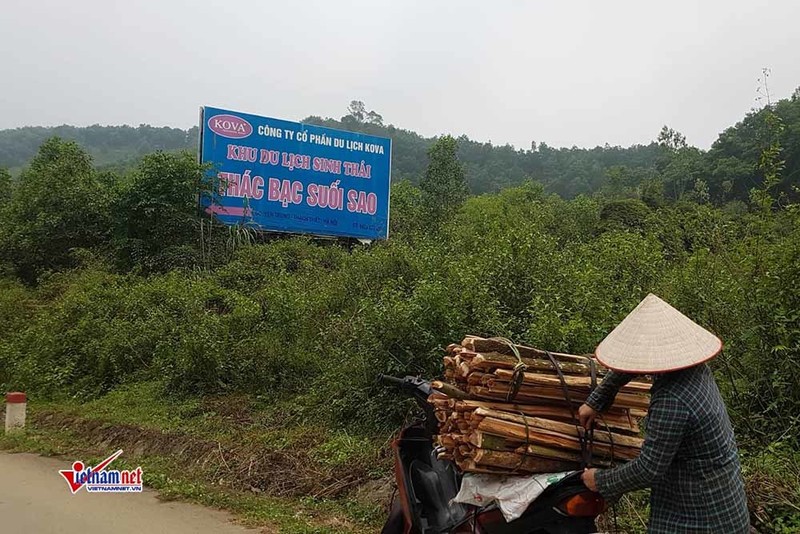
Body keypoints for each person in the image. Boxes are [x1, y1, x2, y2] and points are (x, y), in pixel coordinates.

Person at [579, 294, 750, 534]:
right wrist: (600, 397)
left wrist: (600, 481)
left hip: (700, 518)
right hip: (724, 502)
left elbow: (649, 468)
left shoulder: (672, 400)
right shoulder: (693, 367)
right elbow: (635, 361)